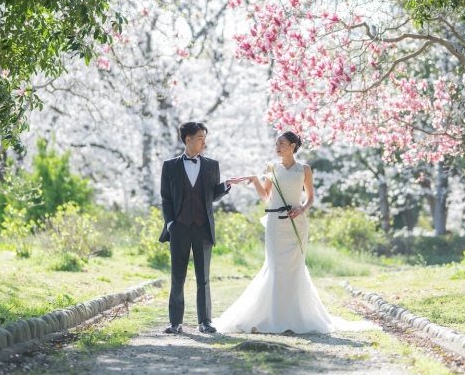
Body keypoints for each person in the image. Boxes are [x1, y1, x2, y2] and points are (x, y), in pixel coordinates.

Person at [213, 131, 377, 334]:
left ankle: (294, 318)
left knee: (294, 268)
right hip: (275, 223)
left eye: (281, 143)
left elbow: (310, 198)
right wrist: (256, 180)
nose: (277, 147)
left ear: (292, 145)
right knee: (274, 266)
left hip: (297, 224)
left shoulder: (304, 169)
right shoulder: (271, 167)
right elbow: (266, 197)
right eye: (276, 144)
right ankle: (271, 318)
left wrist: (302, 209)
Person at [159, 121, 243, 335]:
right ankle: (175, 322)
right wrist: (171, 224)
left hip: (203, 227)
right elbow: (166, 198)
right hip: (179, 227)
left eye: (205, 138)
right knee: (177, 276)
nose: (204, 143)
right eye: (200, 138)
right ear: (188, 140)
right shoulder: (170, 166)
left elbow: (211, 196)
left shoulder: (211, 165)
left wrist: (225, 186)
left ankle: (205, 321)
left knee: (203, 277)